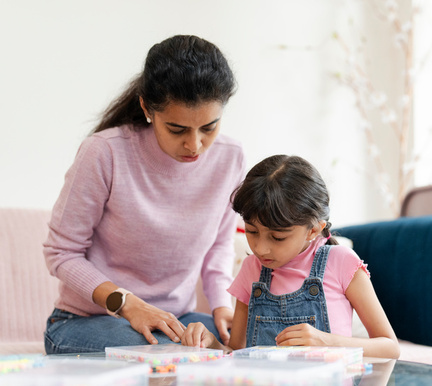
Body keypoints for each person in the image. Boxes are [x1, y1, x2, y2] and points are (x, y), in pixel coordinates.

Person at [43, 35, 246, 354]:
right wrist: (127, 304)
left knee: (250, 342)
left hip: (174, 320)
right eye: (177, 129)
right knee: (173, 351)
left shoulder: (230, 158)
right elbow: (61, 252)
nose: (194, 145)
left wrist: (221, 306)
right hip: (86, 322)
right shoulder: (105, 153)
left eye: (209, 127)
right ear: (146, 108)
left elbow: (219, 244)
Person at [181, 155, 401, 359]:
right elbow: (237, 354)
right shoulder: (251, 269)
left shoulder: (341, 262)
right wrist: (210, 344)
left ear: (313, 230)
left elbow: (390, 348)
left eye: (277, 237)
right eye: (252, 231)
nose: (261, 248)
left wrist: (327, 342)